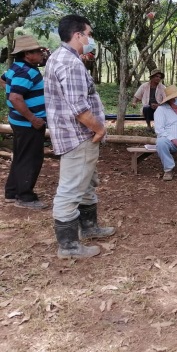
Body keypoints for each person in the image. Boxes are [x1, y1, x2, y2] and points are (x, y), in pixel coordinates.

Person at [45, 14, 115, 259]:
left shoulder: (58, 57)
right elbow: (80, 109)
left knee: (86, 182)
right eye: (89, 34)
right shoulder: (71, 64)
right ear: (78, 35)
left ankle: (89, 227)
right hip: (79, 136)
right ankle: (69, 247)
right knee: (72, 188)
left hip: (72, 134)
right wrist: (100, 129)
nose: (90, 39)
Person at [2, 35, 48, 210]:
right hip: (28, 124)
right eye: (38, 51)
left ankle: (12, 192)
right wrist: (32, 118)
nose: (41, 53)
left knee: (21, 156)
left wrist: (11, 90)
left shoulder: (16, 67)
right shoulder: (27, 72)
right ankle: (25, 197)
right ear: (27, 54)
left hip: (19, 121)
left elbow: (4, 80)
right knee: (31, 159)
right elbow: (15, 97)